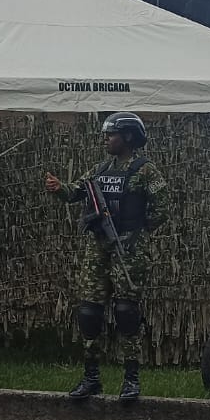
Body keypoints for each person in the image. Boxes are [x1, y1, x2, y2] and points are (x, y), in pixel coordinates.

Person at [44, 112, 170, 403]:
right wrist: (58, 188)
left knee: (127, 312)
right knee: (89, 312)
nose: (105, 139)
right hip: (98, 248)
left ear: (127, 137)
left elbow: (162, 208)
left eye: (110, 135)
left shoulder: (145, 170)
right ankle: (91, 378)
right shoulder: (101, 169)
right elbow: (77, 190)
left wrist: (136, 231)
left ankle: (131, 379)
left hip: (129, 251)